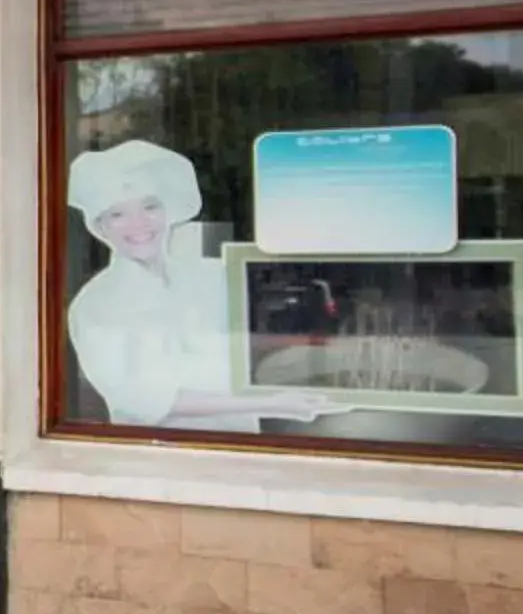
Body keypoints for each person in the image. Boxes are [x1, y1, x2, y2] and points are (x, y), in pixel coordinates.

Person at [64, 139, 341, 433]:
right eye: (117, 214)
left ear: (167, 211)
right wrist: (275, 403)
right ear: (100, 227)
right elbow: (149, 400)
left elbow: (244, 342)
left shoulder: (210, 275)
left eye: (150, 207)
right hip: (158, 457)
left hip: (241, 444)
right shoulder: (95, 305)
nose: (139, 224)